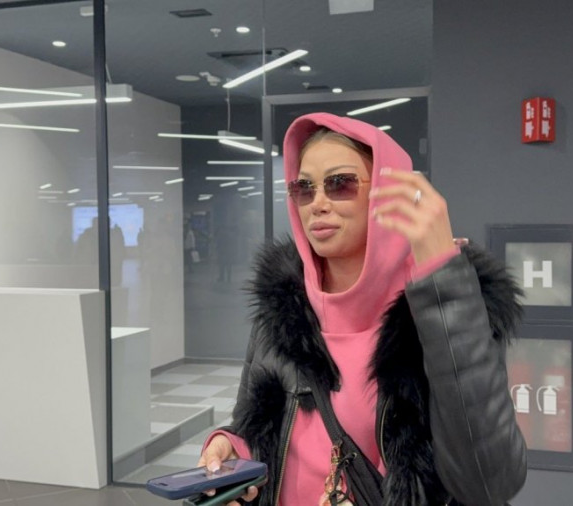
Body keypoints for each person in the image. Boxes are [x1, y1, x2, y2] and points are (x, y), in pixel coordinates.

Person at [197, 113, 526, 505]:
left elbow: (489, 482)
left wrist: (444, 278)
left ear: (386, 192)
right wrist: (232, 448)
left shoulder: (442, 310)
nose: (318, 204)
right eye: (304, 188)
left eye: (340, 183)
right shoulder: (282, 307)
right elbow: (259, 428)